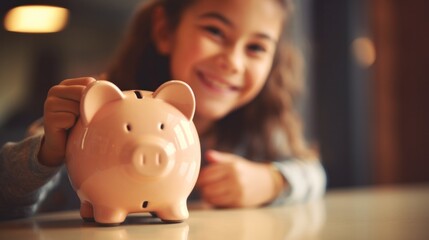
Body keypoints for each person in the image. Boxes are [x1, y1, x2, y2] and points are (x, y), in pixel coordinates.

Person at [0, 0, 326, 220]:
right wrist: (47, 153)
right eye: (214, 31)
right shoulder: (96, 110)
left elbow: (314, 173)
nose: (233, 61)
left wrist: (271, 182)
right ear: (164, 30)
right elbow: (7, 197)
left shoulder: (260, 127)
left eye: (255, 47)